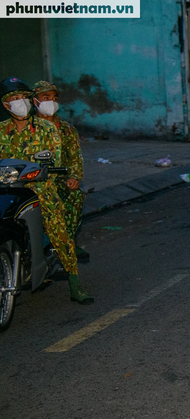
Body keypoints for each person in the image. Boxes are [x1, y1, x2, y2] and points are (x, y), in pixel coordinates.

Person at [0, 77, 93, 305]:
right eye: (14, 98)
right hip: (9, 188)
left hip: (42, 188)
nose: (20, 101)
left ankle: (74, 284)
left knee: (60, 233)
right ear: (6, 105)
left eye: (23, 97)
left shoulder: (47, 128)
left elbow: (55, 157)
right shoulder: (1, 131)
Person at [32, 81, 90, 262]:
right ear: (35, 102)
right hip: (31, 179)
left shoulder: (66, 130)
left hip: (59, 179)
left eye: (54, 98)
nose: (51, 101)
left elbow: (75, 158)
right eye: (46, 97)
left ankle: (66, 242)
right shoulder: (26, 128)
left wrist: (73, 176)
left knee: (75, 197)